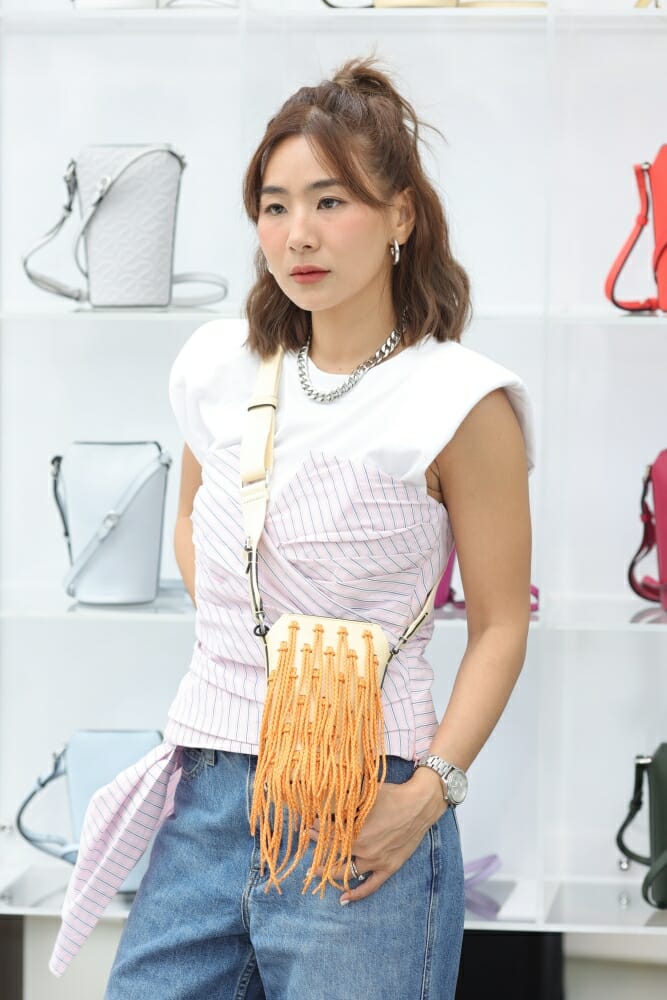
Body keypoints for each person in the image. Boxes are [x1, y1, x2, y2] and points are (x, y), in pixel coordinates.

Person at [49, 57, 534, 999]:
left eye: (329, 201)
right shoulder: (217, 368)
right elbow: (193, 523)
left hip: (365, 803)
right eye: (273, 207)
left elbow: (500, 626)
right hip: (206, 795)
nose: (297, 233)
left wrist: (425, 795)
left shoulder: (460, 401)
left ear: (400, 216)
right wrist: (259, 653)